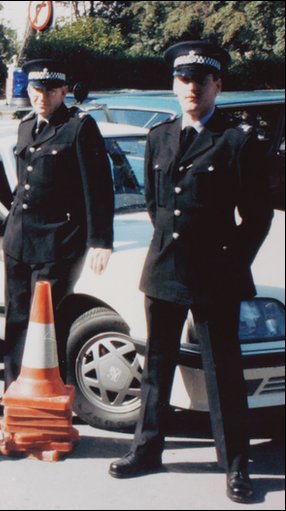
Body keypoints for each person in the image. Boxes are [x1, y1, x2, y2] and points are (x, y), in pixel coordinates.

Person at [108, 41, 273, 505]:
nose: (191, 89)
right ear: (174, 85)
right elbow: (159, 206)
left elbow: (258, 216)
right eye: (184, 81)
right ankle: (146, 448)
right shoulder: (159, 136)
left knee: (223, 372)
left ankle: (236, 466)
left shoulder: (237, 139)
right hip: (164, 269)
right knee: (156, 364)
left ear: (217, 85)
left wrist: (231, 261)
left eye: (201, 82)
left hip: (215, 273)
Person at [0, 59, 114, 416]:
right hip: (20, 241)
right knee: (17, 318)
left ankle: (49, 399)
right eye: (37, 90)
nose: (43, 97)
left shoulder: (79, 128)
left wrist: (101, 239)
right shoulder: (26, 126)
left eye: (51, 91)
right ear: (29, 92)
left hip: (57, 242)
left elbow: (98, 188)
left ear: (64, 92)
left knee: (47, 325)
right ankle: (12, 392)